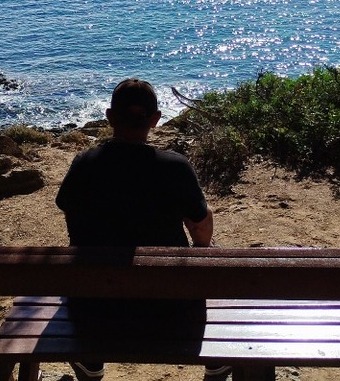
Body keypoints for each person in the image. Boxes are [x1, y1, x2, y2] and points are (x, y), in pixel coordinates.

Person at [55, 78, 227, 381]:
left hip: (95, 314)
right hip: (170, 313)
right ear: (156, 120)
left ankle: (91, 362)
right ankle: (216, 363)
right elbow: (201, 225)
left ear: (109, 117)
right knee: (207, 263)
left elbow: (69, 210)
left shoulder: (85, 164)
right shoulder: (174, 167)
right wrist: (202, 247)